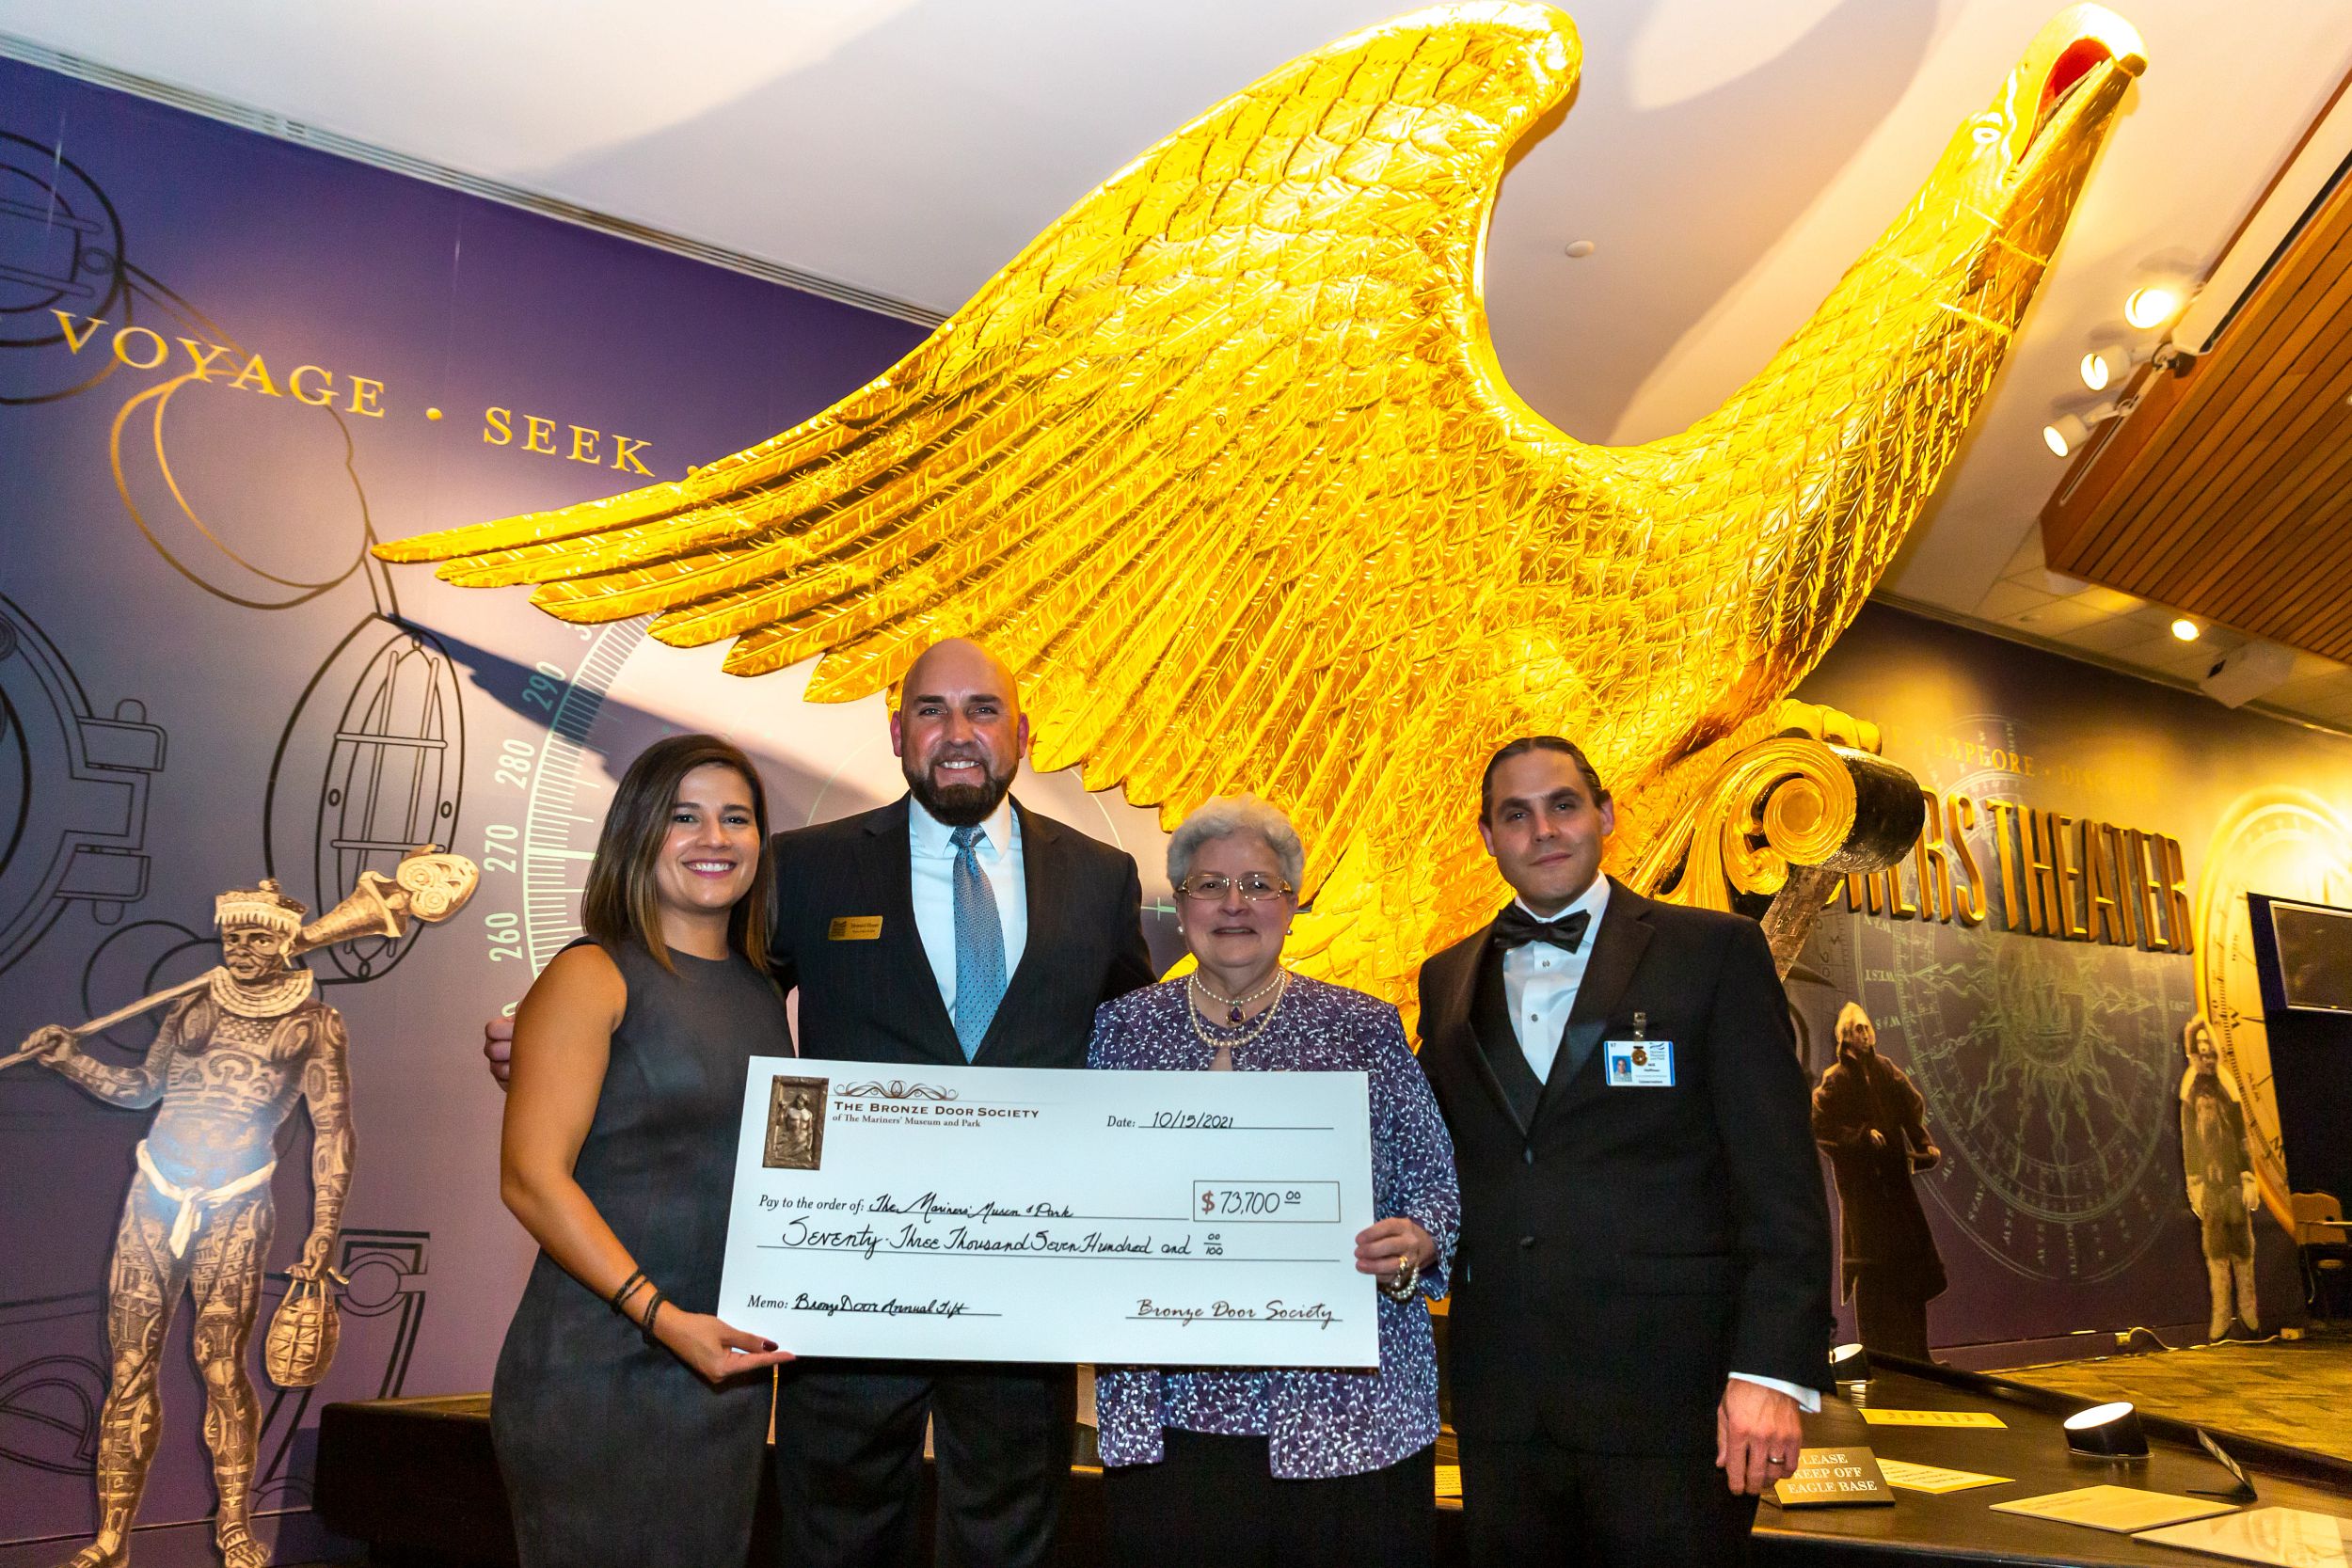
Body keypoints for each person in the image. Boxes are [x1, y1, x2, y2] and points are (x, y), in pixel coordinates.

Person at [483, 637, 1154, 1568]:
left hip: (1020, 1301)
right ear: (894, 732)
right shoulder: (800, 867)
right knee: (833, 1540)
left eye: (982, 709)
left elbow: (1136, 1047)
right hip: (839, 1300)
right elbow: (689, 994)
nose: (956, 732)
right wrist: (554, 1036)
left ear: (1024, 733)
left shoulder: (1100, 877)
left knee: (1011, 1541)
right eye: (930, 710)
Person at [1414, 736, 1833, 1567]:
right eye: (1516, 814)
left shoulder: (1712, 953)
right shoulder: (1445, 976)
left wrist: (1770, 1373)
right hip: (1504, 1408)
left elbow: (1781, 1184)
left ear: (1604, 814)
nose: (1544, 829)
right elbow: (1448, 1166)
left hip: (1675, 1406)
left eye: (1563, 804)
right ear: (1487, 838)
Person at [1088, 795, 1460, 1568]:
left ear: (1292, 903)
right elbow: (1085, 1186)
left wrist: (1418, 1238)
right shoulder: (1123, 1030)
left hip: (1345, 1414)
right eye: (1208, 884)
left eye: (1258, 883)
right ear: (1179, 900)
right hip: (1172, 1412)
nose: (1233, 903)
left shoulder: (1362, 1025)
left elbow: (1435, 1180)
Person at [491, 734, 797, 1568]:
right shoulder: (592, 973)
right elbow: (530, 1179)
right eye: (683, 816)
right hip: (597, 1372)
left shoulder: (763, 994)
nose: (715, 838)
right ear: (636, 832)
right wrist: (661, 1317)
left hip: (718, 1379)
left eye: (736, 818)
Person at [18, 880, 351, 1568]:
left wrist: (323, 1228)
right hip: (156, 1192)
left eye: (259, 936)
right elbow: (143, 1088)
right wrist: (69, 1059)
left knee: (221, 1364)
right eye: (234, 936)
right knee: (130, 1367)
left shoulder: (317, 1023)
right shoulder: (191, 1004)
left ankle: (234, 1523)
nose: (243, 948)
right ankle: (111, 1535)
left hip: (237, 1201)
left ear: (286, 940)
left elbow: (332, 1133)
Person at [1811, 1002, 1947, 1361]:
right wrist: (1859, 1137)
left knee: (1910, 1271)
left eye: (1867, 1027)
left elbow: (1909, 1109)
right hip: (1863, 1197)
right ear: (1845, 1037)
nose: (1865, 1034)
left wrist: (1924, 1145)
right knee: (1872, 1276)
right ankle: (1880, 1357)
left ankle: (1918, 1355)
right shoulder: (1835, 1081)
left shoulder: (1886, 1071)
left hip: (1896, 1191)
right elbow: (1822, 1127)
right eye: (1857, 1029)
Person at [2179, 1015, 2260, 1339]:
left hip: (2233, 1184)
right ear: (2194, 1053)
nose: (2206, 1057)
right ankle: (2222, 1317)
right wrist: (2194, 1183)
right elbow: (2188, 1141)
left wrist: (2248, 1176)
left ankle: (2250, 1314)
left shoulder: (2227, 1084)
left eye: (2209, 1050)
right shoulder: (2190, 1088)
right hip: (2210, 1187)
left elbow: (2241, 1134)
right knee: (2215, 1255)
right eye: (2200, 1051)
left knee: (2243, 1251)